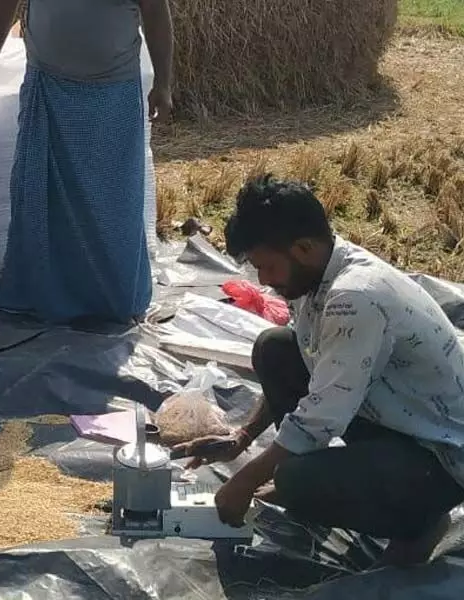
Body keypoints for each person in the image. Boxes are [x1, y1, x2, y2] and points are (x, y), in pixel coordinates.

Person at [176, 175, 464, 567]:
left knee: (295, 480)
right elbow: (314, 363)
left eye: (267, 267)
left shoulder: (355, 296)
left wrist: (245, 480)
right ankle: (339, 478)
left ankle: (419, 521)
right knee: (275, 347)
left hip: (441, 454)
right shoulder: (318, 270)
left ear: (304, 248)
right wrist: (242, 437)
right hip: (393, 415)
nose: (263, 282)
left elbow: (323, 412)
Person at [0, 0, 174, 326]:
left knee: (113, 202)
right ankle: (36, 296)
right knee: (39, 194)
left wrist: (163, 84)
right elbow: (5, 4)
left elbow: (156, 14)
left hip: (112, 94)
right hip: (46, 87)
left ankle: (113, 299)